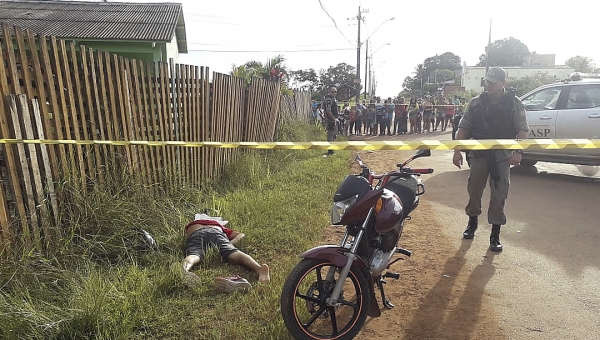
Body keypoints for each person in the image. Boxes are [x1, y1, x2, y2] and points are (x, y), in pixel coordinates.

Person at [452, 67, 529, 252]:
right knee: (474, 190)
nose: (488, 84)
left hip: (502, 155)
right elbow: (463, 128)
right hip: (479, 154)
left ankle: (495, 233)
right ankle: (472, 222)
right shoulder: (476, 102)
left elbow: (522, 130)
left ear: (503, 82)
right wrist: (457, 150)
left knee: (499, 194)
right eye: (487, 81)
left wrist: (518, 151)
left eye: (493, 81)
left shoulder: (514, 103)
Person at [181, 213, 270, 291]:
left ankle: (184, 270)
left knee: (194, 254)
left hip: (196, 233)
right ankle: (258, 269)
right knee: (233, 253)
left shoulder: (192, 225)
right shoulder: (218, 225)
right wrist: (231, 243)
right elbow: (241, 234)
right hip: (216, 232)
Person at [323, 87, 339, 156]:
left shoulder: (334, 99)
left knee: (334, 135)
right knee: (330, 135)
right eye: (332, 92)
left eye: (335, 92)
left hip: (334, 119)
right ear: (329, 92)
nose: (334, 93)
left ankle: (332, 149)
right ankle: (330, 151)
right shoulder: (329, 100)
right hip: (331, 120)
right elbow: (328, 111)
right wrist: (333, 119)